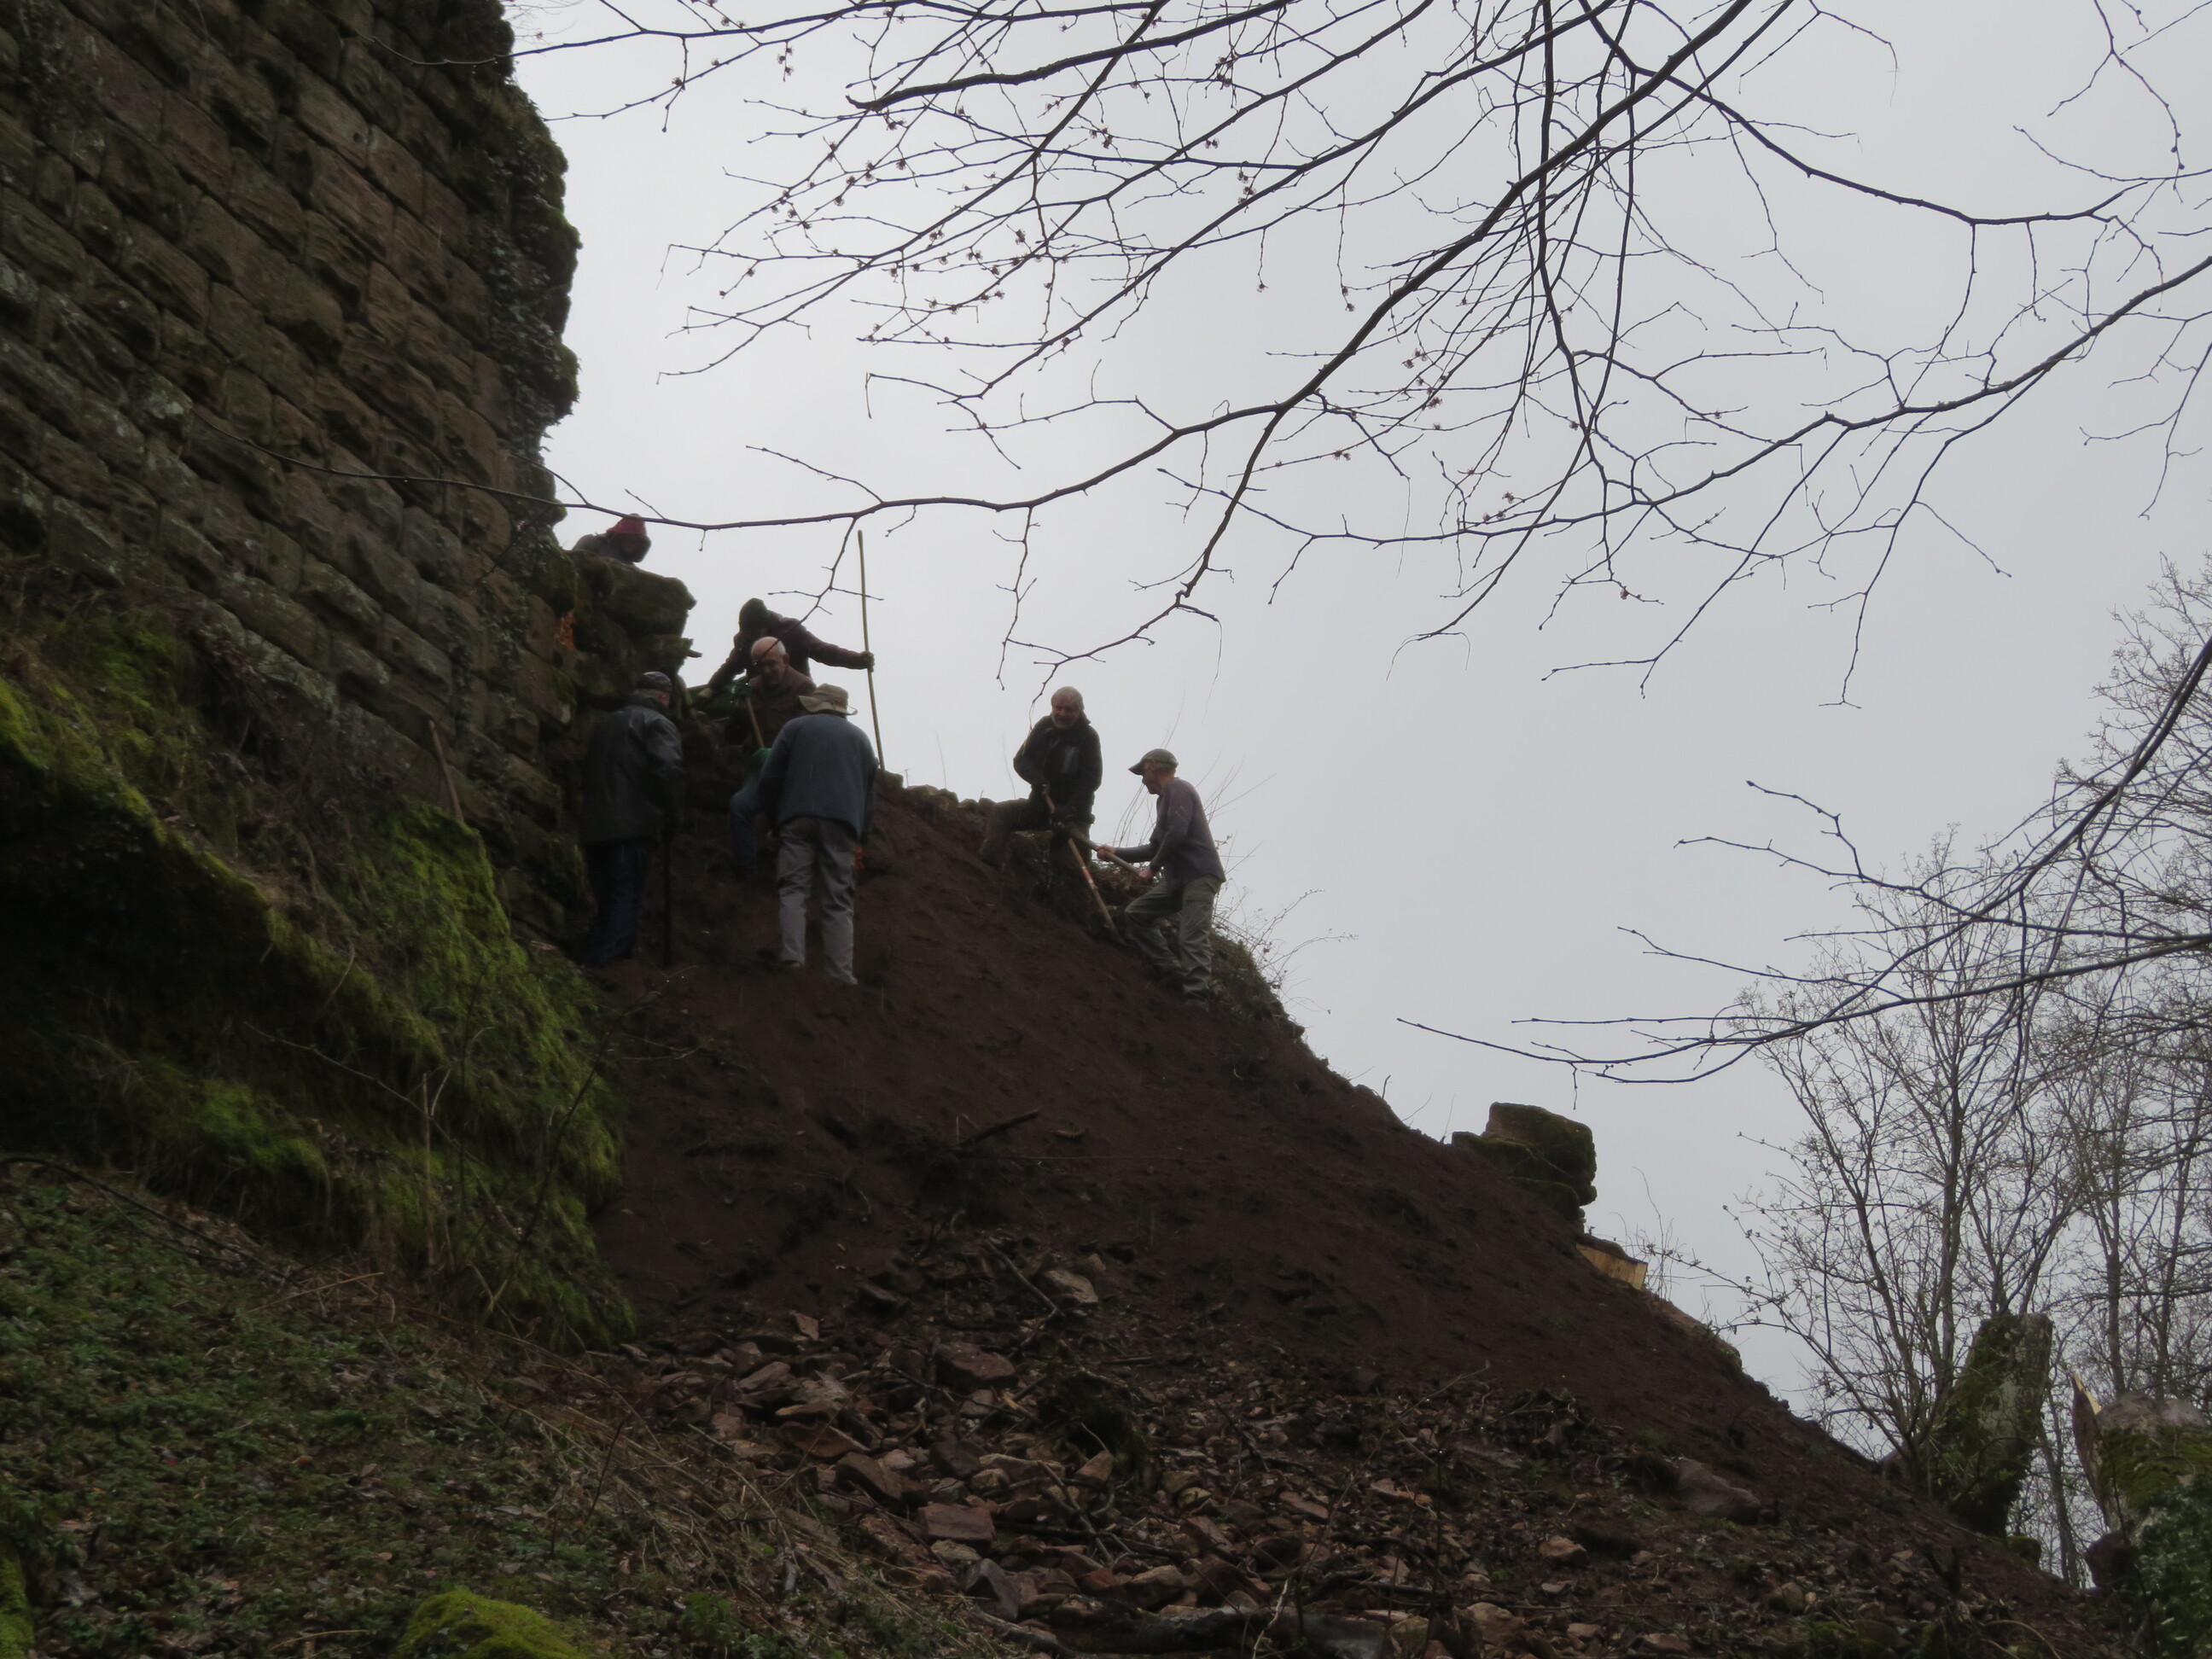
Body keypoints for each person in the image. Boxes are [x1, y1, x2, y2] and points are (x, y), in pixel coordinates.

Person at [756, 684, 878, 985]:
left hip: (797, 817)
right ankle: (840, 974)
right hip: (843, 825)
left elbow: (769, 778)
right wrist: (862, 839)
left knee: (794, 889)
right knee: (838, 899)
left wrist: (775, 823)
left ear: (815, 705)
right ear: (842, 710)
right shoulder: (861, 740)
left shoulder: (795, 727)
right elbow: (870, 798)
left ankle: (792, 960)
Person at [1095, 748, 1225, 1001]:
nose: (1143, 781)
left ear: (1152, 766)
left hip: (1199, 874)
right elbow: (1155, 846)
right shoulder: (1164, 799)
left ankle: (1197, 1000)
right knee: (1137, 914)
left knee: (1191, 937)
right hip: (1178, 879)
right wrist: (1116, 853)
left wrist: (1153, 868)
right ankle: (1170, 970)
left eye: (1143, 773)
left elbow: (1177, 833)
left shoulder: (1178, 789)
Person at [577, 671, 684, 968]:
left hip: (595, 828)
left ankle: (592, 965)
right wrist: (673, 815)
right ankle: (609, 969)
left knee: (606, 900)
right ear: (664, 697)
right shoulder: (658, 723)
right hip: (631, 828)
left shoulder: (606, 723)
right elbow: (669, 770)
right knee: (626, 895)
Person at [725, 637, 818, 878]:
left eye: (771, 664)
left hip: (793, 771)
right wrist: (738, 707)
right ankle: (745, 873)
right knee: (740, 805)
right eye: (760, 665)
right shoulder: (751, 689)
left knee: (793, 819)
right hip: (760, 771)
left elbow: (809, 738)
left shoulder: (804, 688)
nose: (766, 671)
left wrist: (779, 754)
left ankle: (796, 871)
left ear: (785, 660)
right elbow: (733, 737)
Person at [981, 687, 1103, 864]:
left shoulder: (1088, 737)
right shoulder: (1044, 727)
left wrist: (1070, 808)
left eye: (1068, 710)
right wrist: (1037, 779)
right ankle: (988, 867)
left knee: (1070, 866)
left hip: (1073, 817)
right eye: (1058, 708)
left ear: (1079, 711)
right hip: (1039, 806)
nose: (1062, 714)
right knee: (1001, 812)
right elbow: (1021, 760)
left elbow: (1092, 780)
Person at [705, 597, 874, 693]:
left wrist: (858, 660)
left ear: (763, 626)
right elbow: (731, 667)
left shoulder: (791, 632)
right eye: (745, 631)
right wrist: (711, 688)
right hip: (763, 699)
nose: (749, 636)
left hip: (796, 695)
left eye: (752, 631)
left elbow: (824, 651)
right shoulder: (745, 640)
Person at [573, 515, 651, 564]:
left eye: (637, 542)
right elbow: (573, 562)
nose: (632, 544)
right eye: (630, 539)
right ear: (620, 537)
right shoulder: (592, 543)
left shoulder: (631, 570)